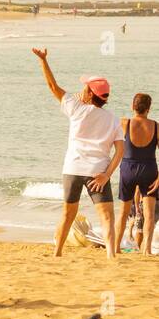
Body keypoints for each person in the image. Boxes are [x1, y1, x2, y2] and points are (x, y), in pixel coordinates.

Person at [32, 49, 125, 258]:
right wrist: (106, 175)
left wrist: (43, 60)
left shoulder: (75, 107)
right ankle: (111, 256)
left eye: (85, 88)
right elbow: (120, 150)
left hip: (72, 168)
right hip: (98, 172)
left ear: (90, 94)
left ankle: (57, 253)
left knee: (68, 213)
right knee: (107, 216)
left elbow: (52, 86)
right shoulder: (112, 119)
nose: (81, 90)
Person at [119, 93, 158, 255]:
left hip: (128, 168)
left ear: (132, 106)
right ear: (148, 109)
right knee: (149, 214)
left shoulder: (124, 123)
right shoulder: (156, 126)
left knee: (123, 212)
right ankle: (147, 249)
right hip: (149, 169)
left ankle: (115, 247)